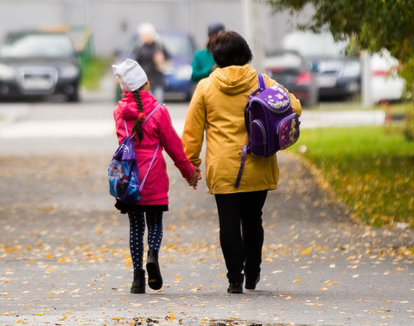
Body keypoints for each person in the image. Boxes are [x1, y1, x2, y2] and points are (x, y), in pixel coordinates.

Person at [181, 29, 300, 294]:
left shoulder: (206, 86)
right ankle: (253, 272)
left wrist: (191, 165)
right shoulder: (262, 81)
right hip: (258, 162)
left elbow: (192, 131)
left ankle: (234, 277)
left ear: (217, 57)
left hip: (223, 167)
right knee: (253, 219)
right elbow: (295, 107)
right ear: (245, 53)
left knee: (228, 222)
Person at [111, 58, 198, 294]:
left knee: (136, 227)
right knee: (155, 222)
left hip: (129, 179)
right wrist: (189, 171)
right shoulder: (159, 112)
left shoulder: (119, 112)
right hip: (154, 176)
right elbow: (173, 147)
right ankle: (153, 255)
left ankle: (137, 278)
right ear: (147, 84)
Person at [133, 23, 169, 94]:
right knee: (148, 100)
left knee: (158, 99)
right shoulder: (140, 48)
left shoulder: (159, 46)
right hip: (146, 78)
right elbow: (137, 63)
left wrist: (161, 58)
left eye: (146, 35)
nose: (144, 37)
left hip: (158, 77)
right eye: (143, 35)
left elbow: (168, 56)